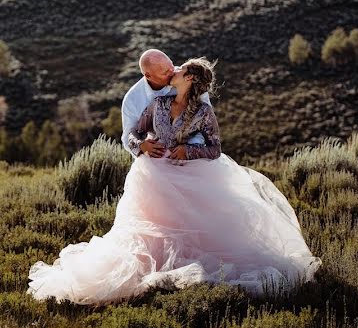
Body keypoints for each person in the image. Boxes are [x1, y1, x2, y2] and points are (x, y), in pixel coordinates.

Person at [27, 57, 321, 305]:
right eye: (168, 69)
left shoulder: (204, 110)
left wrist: (189, 151)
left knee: (202, 226)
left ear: (190, 80)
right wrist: (141, 146)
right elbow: (133, 133)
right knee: (152, 227)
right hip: (155, 175)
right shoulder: (153, 103)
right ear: (150, 75)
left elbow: (214, 147)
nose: (173, 71)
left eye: (177, 70)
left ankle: (193, 266)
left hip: (195, 172)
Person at [120, 49, 209, 155]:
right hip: (158, 156)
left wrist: (190, 149)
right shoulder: (132, 99)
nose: (173, 72)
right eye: (165, 72)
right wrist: (141, 146)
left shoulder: (188, 80)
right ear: (148, 76)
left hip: (193, 152)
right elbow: (128, 138)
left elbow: (206, 123)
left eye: (171, 65)